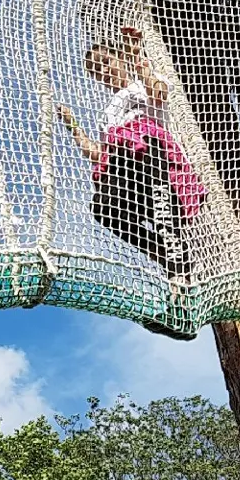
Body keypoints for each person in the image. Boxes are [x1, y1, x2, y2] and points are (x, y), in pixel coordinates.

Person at [59, 24, 205, 336]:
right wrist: (72, 124)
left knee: (169, 224)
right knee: (103, 209)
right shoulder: (107, 113)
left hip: (154, 156)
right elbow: (96, 154)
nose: (102, 71)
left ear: (119, 59)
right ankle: (165, 256)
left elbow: (159, 93)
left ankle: (180, 308)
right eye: (96, 70)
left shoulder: (140, 85)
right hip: (127, 169)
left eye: (105, 63)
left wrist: (137, 55)